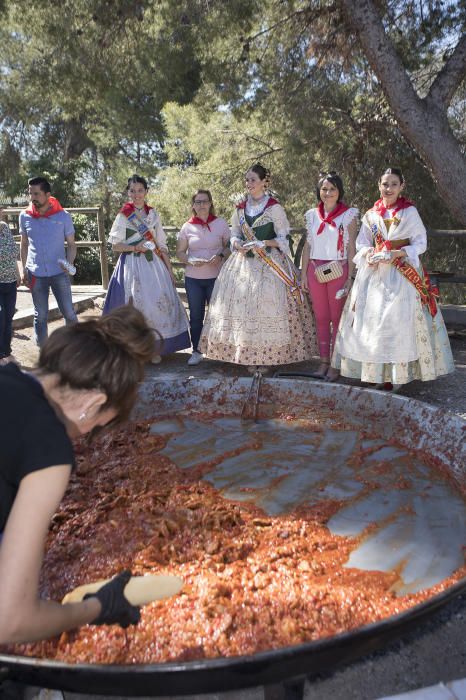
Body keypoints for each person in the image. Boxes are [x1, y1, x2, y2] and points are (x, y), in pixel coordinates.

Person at [0, 306, 156, 644]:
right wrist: (98, 607)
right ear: (94, 402)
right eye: (96, 426)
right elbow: (10, 620)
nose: (84, 436)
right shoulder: (49, 446)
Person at [332, 167, 454, 389]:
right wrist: (369, 253)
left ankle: (397, 376)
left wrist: (399, 253)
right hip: (376, 274)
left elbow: (421, 242)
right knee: (374, 324)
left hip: (402, 274)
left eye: (393, 184)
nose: (388, 188)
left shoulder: (409, 213)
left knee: (398, 324)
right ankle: (378, 373)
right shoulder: (371, 215)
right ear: (379, 185)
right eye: (385, 184)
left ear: (401, 187)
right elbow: (362, 242)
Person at [200, 164, 317, 371]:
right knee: (243, 309)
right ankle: (247, 356)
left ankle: (268, 357)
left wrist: (264, 243)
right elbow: (234, 233)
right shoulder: (240, 209)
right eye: (247, 180)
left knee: (267, 307)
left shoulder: (274, 208)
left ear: (264, 182)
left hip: (270, 263)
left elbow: (283, 238)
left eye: (253, 179)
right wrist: (236, 244)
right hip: (243, 265)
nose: (249, 184)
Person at [103, 174, 190, 363]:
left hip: (154, 266)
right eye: (132, 191)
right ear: (128, 193)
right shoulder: (123, 215)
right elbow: (116, 246)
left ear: (146, 192)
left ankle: (154, 349)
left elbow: (161, 245)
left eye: (140, 190)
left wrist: (169, 271)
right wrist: (135, 247)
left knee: (156, 306)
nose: (136, 194)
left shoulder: (154, 215)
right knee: (133, 308)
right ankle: (133, 351)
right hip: (131, 265)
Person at [301, 172, 359, 381]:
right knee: (321, 317)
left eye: (332, 189)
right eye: (324, 189)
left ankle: (335, 364)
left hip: (339, 269)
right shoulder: (311, 215)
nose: (328, 193)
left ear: (339, 191)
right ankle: (323, 361)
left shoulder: (349, 215)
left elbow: (352, 246)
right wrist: (303, 274)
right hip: (315, 270)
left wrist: (351, 276)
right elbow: (308, 245)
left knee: (337, 318)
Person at [19, 177, 78, 347]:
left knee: (69, 313)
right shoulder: (25, 216)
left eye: (36, 193)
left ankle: (74, 348)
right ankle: (44, 352)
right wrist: (24, 269)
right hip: (35, 273)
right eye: (30, 193)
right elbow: (24, 245)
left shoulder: (63, 216)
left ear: (47, 194)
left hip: (59, 273)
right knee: (41, 315)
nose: (32, 197)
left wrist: (69, 263)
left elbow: (72, 245)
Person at [176, 190, 230, 366]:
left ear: (210, 203)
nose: (201, 205)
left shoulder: (221, 224)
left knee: (218, 315)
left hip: (217, 278)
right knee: (196, 316)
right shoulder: (187, 227)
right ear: (193, 206)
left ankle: (220, 352)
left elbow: (229, 247)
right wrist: (190, 260)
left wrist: (221, 256)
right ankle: (197, 351)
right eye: (198, 202)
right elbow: (179, 253)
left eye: (204, 201)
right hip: (193, 279)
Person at [0, 209, 21, 365]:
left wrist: (18, 273)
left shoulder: (5, 228)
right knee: (1, 317)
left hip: (11, 281)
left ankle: (6, 352)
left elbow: (13, 253)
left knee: (8, 317)